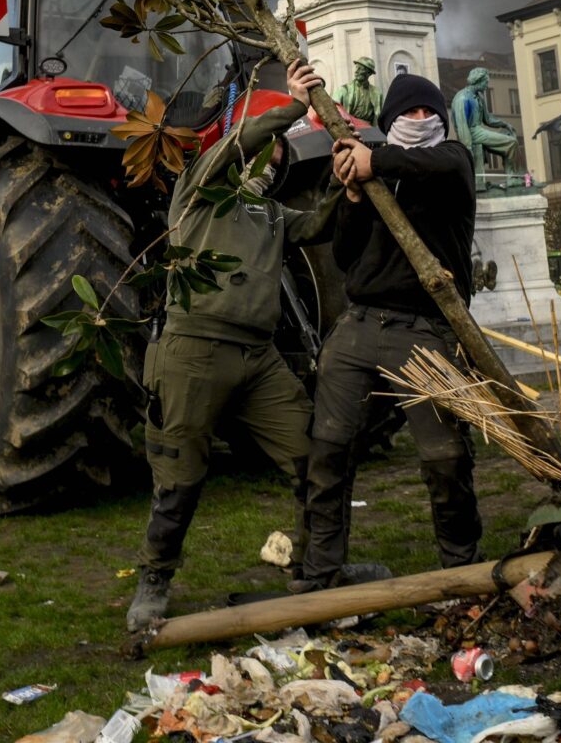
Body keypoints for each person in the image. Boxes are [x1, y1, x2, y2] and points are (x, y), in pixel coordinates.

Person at [125, 63, 361, 631]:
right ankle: (154, 578)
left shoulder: (271, 214)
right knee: (179, 478)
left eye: (279, 155)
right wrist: (292, 108)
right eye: (266, 149)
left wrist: (340, 183)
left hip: (258, 359)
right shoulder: (199, 192)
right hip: (193, 352)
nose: (271, 159)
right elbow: (236, 143)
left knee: (317, 458)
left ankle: (318, 569)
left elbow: (316, 226)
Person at [299, 72, 482, 591]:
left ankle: (462, 568)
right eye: (409, 113)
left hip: (425, 330)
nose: (420, 120)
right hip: (360, 324)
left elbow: (435, 163)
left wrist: (373, 160)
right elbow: (345, 256)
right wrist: (355, 197)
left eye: (429, 112)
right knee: (329, 450)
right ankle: (322, 573)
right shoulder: (374, 172)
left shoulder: (452, 161)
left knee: (445, 459)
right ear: (390, 121)